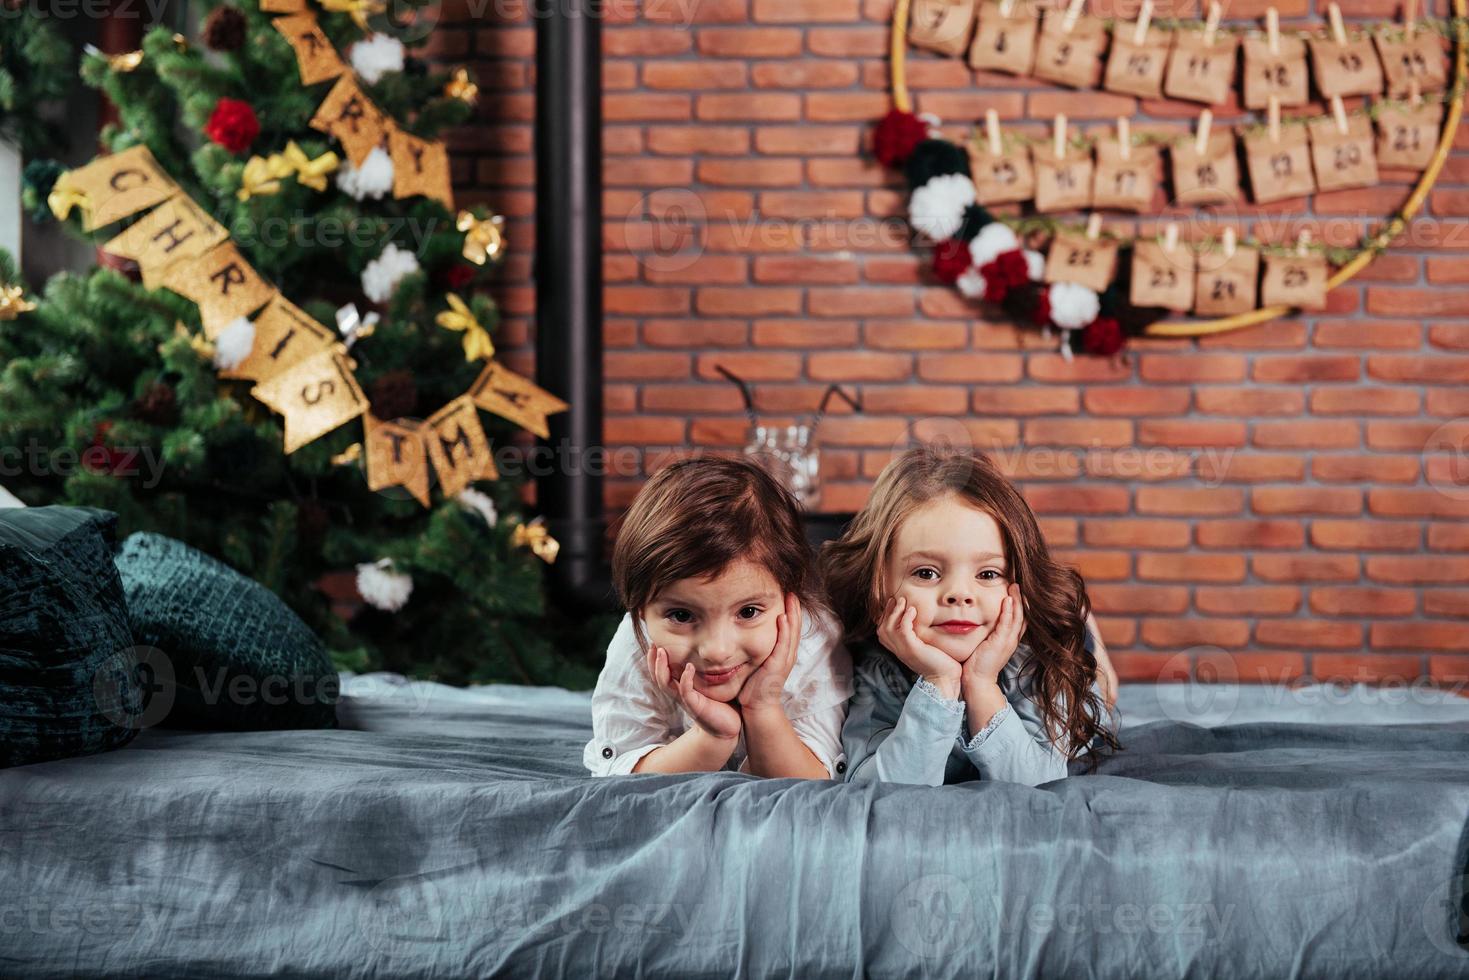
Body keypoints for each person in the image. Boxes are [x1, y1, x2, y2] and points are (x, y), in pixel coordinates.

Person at [824, 445, 1121, 787]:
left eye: (988, 574)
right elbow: (880, 787)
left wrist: (981, 684)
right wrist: (939, 682)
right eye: (926, 573)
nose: (960, 594)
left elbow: (1040, 784)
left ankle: (1084, 625)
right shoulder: (875, 671)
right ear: (878, 590)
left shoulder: (1040, 661)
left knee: (1100, 693)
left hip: (1055, 636)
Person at [584, 456, 852, 779]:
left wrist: (763, 707)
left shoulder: (815, 641)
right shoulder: (637, 645)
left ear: (787, 597)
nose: (716, 650)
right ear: (639, 608)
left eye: (748, 612)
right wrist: (712, 737)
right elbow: (622, 779)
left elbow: (815, 783)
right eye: (682, 615)